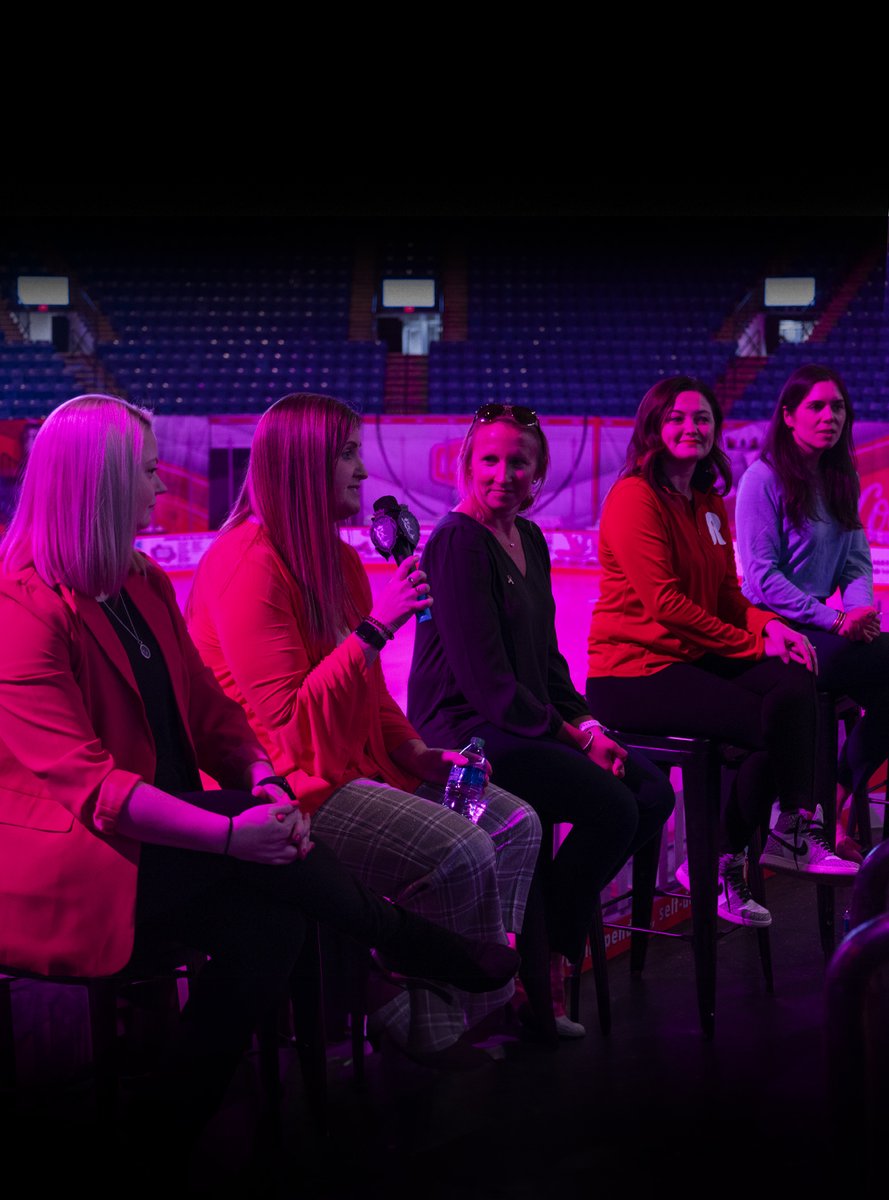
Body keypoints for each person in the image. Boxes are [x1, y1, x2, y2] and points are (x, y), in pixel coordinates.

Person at [0, 394, 521, 1156]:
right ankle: (406, 944)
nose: (161, 486)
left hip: (164, 837)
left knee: (273, 918)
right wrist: (231, 834)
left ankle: (162, 1131)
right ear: (99, 484)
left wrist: (264, 784)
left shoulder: (142, 581)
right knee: (274, 867)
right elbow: (95, 791)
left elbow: (214, 714)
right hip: (78, 860)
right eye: (147, 472)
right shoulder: (21, 610)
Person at [186, 392, 541, 1066]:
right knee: (461, 851)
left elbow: (372, 697)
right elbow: (289, 729)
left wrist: (419, 753)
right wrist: (376, 628)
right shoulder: (246, 564)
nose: (363, 471)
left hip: (356, 767)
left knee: (514, 824)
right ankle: (434, 1021)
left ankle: (443, 1010)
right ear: (304, 465)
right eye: (348, 454)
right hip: (291, 790)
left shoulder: (339, 561)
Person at [406, 402, 675, 1040]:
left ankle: (544, 930)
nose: (503, 474)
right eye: (489, 460)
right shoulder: (456, 542)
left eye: (517, 463)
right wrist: (573, 738)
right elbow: (488, 685)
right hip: (467, 732)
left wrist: (589, 725)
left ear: (538, 472)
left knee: (652, 793)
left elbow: (548, 661)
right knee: (614, 807)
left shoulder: (528, 538)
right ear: (468, 465)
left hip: (524, 719)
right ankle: (545, 964)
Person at [585, 376, 856, 931]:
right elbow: (665, 605)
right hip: (633, 672)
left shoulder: (707, 501)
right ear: (654, 427)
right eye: (678, 418)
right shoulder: (635, 497)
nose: (692, 427)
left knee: (793, 677)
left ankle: (788, 829)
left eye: (703, 418)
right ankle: (719, 861)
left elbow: (731, 597)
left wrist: (771, 627)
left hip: (687, 658)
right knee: (767, 719)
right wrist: (754, 641)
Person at [735, 363, 889, 861]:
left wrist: (859, 611)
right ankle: (812, 817)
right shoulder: (762, 478)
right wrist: (837, 621)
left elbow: (857, 560)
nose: (830, 417)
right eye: (816, 407)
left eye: (837, 407)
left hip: (825, 625)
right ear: (788, 415)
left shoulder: (841, 477)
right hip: (774, 627)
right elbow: (762, 578)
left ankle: (833, 800)